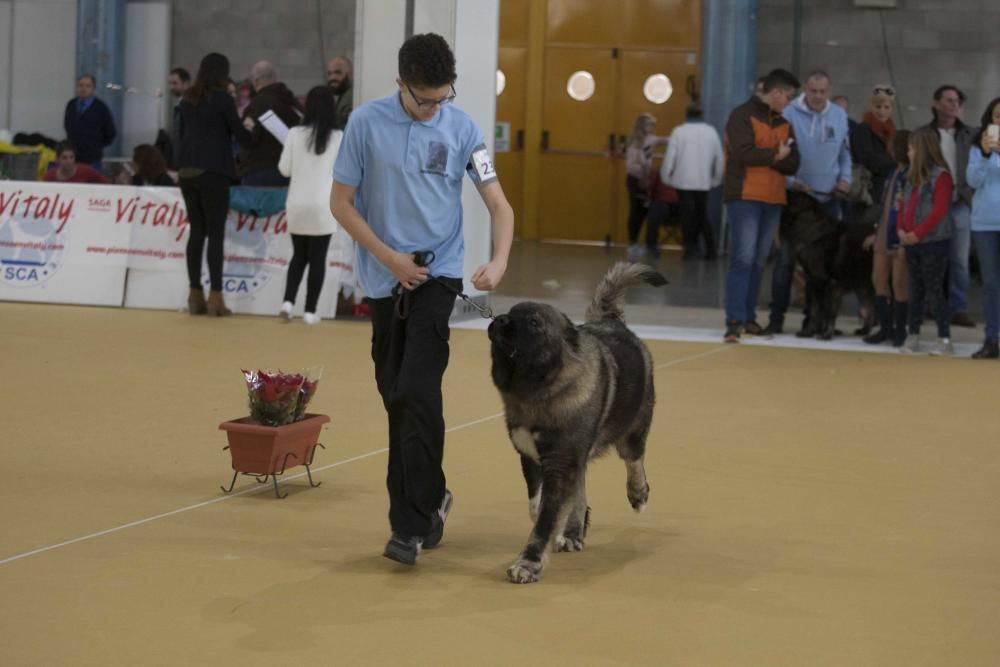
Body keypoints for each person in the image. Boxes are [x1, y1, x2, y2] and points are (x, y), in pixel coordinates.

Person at [330, 33, 514, 566]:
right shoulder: (365, 124)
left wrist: (498, 262)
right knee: (397, 395)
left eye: (443, 97)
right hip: (385, 279)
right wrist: (389, 259)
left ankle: (406, 528)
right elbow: (341, 204)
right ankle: (433, 497)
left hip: (440, 279)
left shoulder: (463, 129)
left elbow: (500, 207)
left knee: (415, 388)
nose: (435, 107)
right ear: (400, 85)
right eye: (424, 99)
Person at [764, 70, 851, 336]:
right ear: (805, 89)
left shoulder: (839, 115)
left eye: (823, 92)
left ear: (829, 90)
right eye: (813, 91)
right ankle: (776, 319)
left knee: (822, 267)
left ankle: (813, 322)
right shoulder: (788, 113)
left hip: (828, 199)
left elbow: (845, 153)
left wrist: (845, 178)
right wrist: (790, 181)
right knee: (787, 261)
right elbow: (779, 152)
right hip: (796, 201)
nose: (818, 96)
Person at [722, 68, 801, 343]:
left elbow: (794, 162)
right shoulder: (741, 116)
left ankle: (748, 317)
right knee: (742, 258)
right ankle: (733, 319)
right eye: (787, 97)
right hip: (745, 196)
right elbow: (743, 154)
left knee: (757, 262)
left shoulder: (784, 122)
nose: (789, 103)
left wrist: (773, 157)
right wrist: (775, 154)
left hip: (774, 198)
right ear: (776, 93)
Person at [176, 52, 252, 317]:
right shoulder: (223, 100)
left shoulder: (186, 100)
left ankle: (194, 294)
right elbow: (240, 135)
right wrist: (250, 127)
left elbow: (179, 135)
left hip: (186, 171)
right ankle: (216, 298)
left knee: (197, 232)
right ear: (222, 73)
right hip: (213, 171)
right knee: (216, 233)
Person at [277, 86, 342, 325]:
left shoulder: (294, 133)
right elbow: (342, 173)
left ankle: (287, 302)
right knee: (318, 258)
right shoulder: (338, 137)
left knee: (298, 256)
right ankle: (309, 311)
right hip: (323, 206)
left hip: (296, 204)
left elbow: (284, 169)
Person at [897, 127, 954, 356]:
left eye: (911, 148)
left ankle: (944, 337)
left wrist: (918, 233)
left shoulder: (941, 177)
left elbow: (939, 210)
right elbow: (901, 205)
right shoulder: (910, 176)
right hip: (912, 241)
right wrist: (901, 229)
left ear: (921, 150)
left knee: (934, 288)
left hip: (934, 241)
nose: (908, 152)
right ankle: (913, 334)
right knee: (916, 288)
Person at [925, 85, 977, 328]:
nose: (953, 105)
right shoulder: (925, 134)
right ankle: (929, 305)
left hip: (960, 203)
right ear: (936, 103)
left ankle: (958, 308)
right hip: (933, 203)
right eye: (948, 100)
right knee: (932, 257)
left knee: (959, 259)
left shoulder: (970, 134)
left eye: (957, 101)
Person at [862, 129, 911, 346]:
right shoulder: (892, 172)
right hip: (883, 231)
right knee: (878, 279)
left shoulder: (910, 175)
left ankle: (900, 329)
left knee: (899, 283)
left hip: (901, 233)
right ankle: (884, 327)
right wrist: (875, 232)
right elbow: (884, 206)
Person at [660, 102, 723, 260]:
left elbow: (670, 157)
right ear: (702, 115)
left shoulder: (679, 132)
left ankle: (690, 249)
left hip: (683, 180)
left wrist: (666, 176)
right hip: (703, 181)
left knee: (686, 215)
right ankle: (711, 249)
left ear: (686, 115)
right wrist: (716, 179)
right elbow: (720, 158)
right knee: (702, 213)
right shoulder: (711, 132)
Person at [966, 97, 1000, 359]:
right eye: (997, 116)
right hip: (985, 223)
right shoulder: (979, 147)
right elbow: (973, 180)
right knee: (991, 284)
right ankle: (991, 338)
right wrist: (988, 156)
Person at [238, 61, 302, 186]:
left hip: (258, 171)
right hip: (290, 170)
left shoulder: (255, 105)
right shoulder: (293, 103)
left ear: (255, 81)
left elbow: (248, 139)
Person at [624, 113, 667, 261]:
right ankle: (632, 243)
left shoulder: (651, 139)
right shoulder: (634, 143)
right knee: (636, 210)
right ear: (642, 125)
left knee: (643, 211)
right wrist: (643, 171)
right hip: (636, 179)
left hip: (645, 179)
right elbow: (630, 166)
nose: (652, 127)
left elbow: (665, 140)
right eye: (649, 124)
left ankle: (639, 243)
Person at [63, 74, 116, 168]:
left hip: (92, 158)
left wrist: (96, 145)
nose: (84, 88)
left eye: (87, 86)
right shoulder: (71, 105)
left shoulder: (101, 108)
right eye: (81, 85)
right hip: (73, 158)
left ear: (93, 88)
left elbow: (110, 133)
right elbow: (67, 126)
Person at [43, 141, 110, 183]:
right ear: (57, 160)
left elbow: (106, 184)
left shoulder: (86, 171)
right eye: (64, 158)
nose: (69, 161)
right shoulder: (49, 176)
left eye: (71, 157)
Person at [326, 56, 354, 130]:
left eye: (338, 72)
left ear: (350, 74)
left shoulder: (352, 97)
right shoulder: (344, 94)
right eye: (329, 73)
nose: (332, 77)